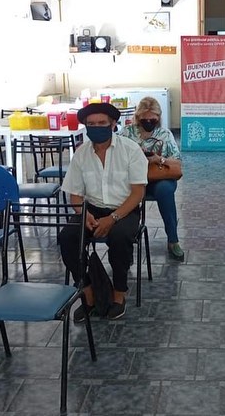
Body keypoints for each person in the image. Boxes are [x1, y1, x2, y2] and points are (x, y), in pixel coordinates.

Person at [58, 102, 147, 322]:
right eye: (91, 124)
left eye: (101, 123)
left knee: (120, 237)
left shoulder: (130, 150)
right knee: (68, 237)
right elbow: (75, 195)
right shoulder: (81, 154)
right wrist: (83, 214)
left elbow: (138, 193)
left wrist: (113, 218)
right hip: (91, 209)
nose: (96, 127)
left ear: (113, 124)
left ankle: (119, 294)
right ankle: (88, 294)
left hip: (124, 209)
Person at [119, 96, 185, 261]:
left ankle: (173, 239)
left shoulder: (165, 134)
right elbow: (116, 156)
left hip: (159, 177)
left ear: (158, 117)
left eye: (152, 119)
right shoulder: (126, 133)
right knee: (122, 192)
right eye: (144, 119)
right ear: (138, 117)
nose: (148, 122)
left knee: (165, 191)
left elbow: (177, 162)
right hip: (132, 178)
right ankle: (124, 241)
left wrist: (158, 159)